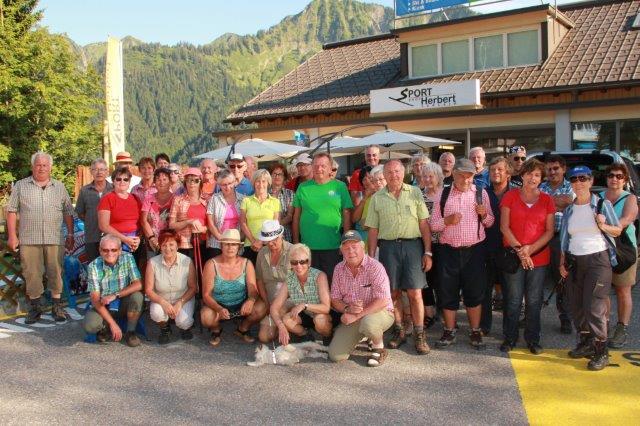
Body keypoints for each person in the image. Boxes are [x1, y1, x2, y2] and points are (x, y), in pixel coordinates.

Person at [366, 160, 433, 354]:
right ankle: (399, 330)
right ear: (384, 175)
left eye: (397, 171)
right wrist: (371, 258)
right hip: (388, 248)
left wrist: (428, 252)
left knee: (415, 293)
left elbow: (424, 224)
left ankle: (419, 334)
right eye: (389, 172)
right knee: (393, 292)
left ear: (403, 173)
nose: (393, 175)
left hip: (413, 246)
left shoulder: (415, 192)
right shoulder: (377, 198)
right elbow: (373, 230)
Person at [560, 166, 621, 371]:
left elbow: (617, 230)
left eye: (583, 178)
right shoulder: (569, 210)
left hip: (598, 260)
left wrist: (603, 226)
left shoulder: (602, 204)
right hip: (574, 261)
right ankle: (586, 343)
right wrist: (562, 262)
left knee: (594, 307)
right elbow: (565, 239)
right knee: (577, 305)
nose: (578, 182)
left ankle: (601, 351)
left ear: (591, 181)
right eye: (574, 179)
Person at [430, 158, 494, 350]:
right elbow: (433, 225)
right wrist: (447, 221)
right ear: (454, 174)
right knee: (447, 291)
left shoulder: (481, 193)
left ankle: (475, 330)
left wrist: (484, 214)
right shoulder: (442, 194)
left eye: (470, 176)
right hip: (448, 251)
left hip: (474, 251)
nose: (466, 180)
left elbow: (490, 222)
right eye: (462, 176)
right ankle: (449, 331)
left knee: (474, 292)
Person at [6, 151, 75, 323]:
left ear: (50, 167)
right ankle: (35, 308)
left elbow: (68, 211)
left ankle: (57, 307)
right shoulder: (21, 186)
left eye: (45, 165)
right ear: (32, 167)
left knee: (56, 272)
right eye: (38, 165)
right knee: (32, 274)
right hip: (29, 239)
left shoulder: (59, 187)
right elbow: (11, 211)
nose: (41, 168)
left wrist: (71, 233)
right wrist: (12, 236)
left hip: (54, 238)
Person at [499, 159, 555, 354]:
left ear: (541, 179)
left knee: (534, 301)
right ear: (522, 175)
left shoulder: (547, 199)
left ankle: (533, 339)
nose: (533, 178)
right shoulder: (510, 196)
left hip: (538, 257)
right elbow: (504, 227)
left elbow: (549, 231)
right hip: (514, 256)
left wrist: (529, 250)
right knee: (513, 300)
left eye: (537, 175)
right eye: (529, 173)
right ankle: (510, 337)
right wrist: (521, 251)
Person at [328, 231, 395, 366]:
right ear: (341, 250)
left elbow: (383, 300)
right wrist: (347, 309)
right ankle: (366, 335)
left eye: (354, 247)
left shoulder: (375, 267)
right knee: (335, 355)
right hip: (354, 316)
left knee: (369, 323)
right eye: (346, 248)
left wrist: (357, 315)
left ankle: (378, 346)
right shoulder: (338, 269)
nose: (351, 251)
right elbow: (335, 299)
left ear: (363, 247)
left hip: (379, 312)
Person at [200, 229, 267, 346]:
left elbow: (253, 289)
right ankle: (216, 329)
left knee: (262, 307)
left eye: (234, 244)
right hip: (218, 304)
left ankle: (243, 328)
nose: (230, 248)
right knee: (206, 317)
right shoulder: (211, 264)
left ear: (238, 247)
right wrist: (218, 308)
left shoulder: (247, 263)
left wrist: (251, 300)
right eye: (227, 244)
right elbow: (206, 295)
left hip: (241, 304)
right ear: (221, 246)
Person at [292, 152, 353, 282]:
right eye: (316, 166)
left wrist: (346, 242)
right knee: (311, 284)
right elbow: (296, 217)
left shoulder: (340, 187)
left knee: (332, 284)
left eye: (323, 166)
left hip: (333, 247)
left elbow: (347, 215)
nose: (319, 169)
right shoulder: (303, 187)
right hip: (307, 248)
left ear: (330, 168)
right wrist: (296, 243)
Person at [599, 164, 638, 349]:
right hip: (602, 249)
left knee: (623, 290)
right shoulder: (598, 197)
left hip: (624, 250)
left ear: (625, 179)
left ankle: (622, 327)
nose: (614, 179)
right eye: (611, 175)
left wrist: (604, 226)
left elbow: (626, 220)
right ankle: (604, 325)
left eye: (619, 176)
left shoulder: (630, 198)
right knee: (603, 291)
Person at [82, 234, 144, 347]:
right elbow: (95, 300)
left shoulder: (128, 258)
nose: (109, 253)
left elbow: (138, 284)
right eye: (105, 250)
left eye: (113, 250)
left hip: (122, 301)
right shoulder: (93, 266)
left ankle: (130, 332)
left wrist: (115, 295)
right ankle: (105, 327)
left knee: (137, 296)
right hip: (103, 304)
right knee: (90, 326)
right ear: (100, 251)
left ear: (120, 250)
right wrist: (113, 324)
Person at [539, 154, 575, 334]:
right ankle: (530, 316)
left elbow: (571, 203)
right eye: (549, 169)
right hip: (540, 238)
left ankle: (566, 318)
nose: (552, 172)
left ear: (564, 169)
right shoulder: (540, 187)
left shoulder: (572, 187)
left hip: (561, 239)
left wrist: (546, 204)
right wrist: (559, 203)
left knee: (562, 280)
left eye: (556, 168)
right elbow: (536, 207)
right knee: (536, 279)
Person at [271, 243, 332, 344]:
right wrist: (281, 326)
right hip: (306, 315)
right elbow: (274, 307)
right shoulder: (289, 279)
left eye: (303, 262)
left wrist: (304, 305)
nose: (298, 266)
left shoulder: (320, 276)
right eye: (294, 262)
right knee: (286, 320)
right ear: (291, 264)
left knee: (320, 320)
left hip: (322, 314)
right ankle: (305, 335)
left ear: (309, 262)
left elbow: (326, 308)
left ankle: (327, 335)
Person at [145, 230, 197, 344]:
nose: (167, 248)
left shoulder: (187, 261)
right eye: (164, 245)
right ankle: (165, 329)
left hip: (183, 298)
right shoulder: (152, 263)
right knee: (156, 313)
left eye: (171, 244)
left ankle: (185, 328)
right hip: (161, 298)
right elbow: (148, 290)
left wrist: (180, 303)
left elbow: (193, 288)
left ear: (177, 245)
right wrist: (163, 303)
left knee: (183, 322)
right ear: (160, 247)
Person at [481, 157, 515, 333]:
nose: (496, 172)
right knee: (485, 292)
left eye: (500, 169)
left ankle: (509, 332)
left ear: (508, 173)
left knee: (510, 294)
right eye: (493, 170)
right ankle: (484, 327)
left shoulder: (516, 193)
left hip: (510, 250)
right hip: (487, 248)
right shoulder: (482, 193)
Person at [254, 220, 292, 343]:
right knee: (264, 337)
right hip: (270, 299)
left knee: (279, 311)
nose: (271, 243)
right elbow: (259, 280)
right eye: (267, 240)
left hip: (289, 299)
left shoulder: (294, 251)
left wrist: (277, 305)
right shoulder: (262, 253)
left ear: (281, 235)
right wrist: (266, 303)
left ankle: (291, 326)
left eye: (274, 239)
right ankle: (283, 325)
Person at [419, 162, 443, 329]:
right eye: (425, 176)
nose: (427, 179)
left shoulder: (446, 194)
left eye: (431, 176)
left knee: (443, 280)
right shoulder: (419, 195)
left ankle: (444, 312)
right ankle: (429, 313)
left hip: (444, 242)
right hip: (424, 242)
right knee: (426, 279)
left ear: (439, 177)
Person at [169, 168, 210, 267]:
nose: (192, 183)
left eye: (196, 180)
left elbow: (213, 224)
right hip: (184, 244)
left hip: (204, 243)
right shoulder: (178, 200)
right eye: (188, 180)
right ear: (185, 183)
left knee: (203, 273)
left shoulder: (207, 200)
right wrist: (189, 222)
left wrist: (204, 229)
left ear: (200, 182)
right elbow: (171, 225)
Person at [76, 158, 113, 262]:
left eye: (102, 169)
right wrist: (92, 220)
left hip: (111, 236)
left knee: (111, 265)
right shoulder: (84, 191)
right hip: (92, 236)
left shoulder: (114, 189)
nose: (99, 172)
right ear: (91, 171)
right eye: (95, 169)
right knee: (93, 266)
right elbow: (80, 213)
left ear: (107, 171)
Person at [240, 169, 280, 265]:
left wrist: (261, 241)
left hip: (269, 245)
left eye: (263, 181)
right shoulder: (246, 201)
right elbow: (243, 223)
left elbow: (275, 224)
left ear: (268, 183)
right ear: (254, 183)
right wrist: (254, 241)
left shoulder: (275, 201)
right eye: (258, 181)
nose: (261, 184)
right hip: (250, 245)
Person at [98, 166, 141, 254]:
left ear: (129, 182)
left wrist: (139, 239)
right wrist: (125, 239)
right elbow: (103, 226)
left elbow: (141, 223)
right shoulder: (107, 199)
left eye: (125, 179)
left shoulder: (136, 198)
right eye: (118, 179)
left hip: (135, 243)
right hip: (114, 244)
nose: (122, 182)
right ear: (113, 181)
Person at [206, 169, 246, 258]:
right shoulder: (214, 199)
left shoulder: (243, 199)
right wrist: (221, 239)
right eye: (224, 184)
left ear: (235, 182)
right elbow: (210, 223)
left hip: (236, 244)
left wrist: (238, 240)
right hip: (217, 244)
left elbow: (245, 223)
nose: (227, 187)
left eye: (230, 183)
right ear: (219, 185)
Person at [140, 167, 175, 257]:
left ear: (170, 182)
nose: (161, 182)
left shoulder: (176, 199)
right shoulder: (148, 199)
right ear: (154, 182)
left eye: (165, 179)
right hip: (152, 241)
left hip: (171, 242)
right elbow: (143, 220)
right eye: (158, 180)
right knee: (153, 264)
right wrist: (152, 238)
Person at [269, 163, 295, 242]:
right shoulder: (264, 194)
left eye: (280, 174)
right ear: (270, 176)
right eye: (274, 174)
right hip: (268, 235)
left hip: (285, 235)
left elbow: (289, 216)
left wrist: (276, 227)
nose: (277, 177)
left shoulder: (290, 194)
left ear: (284, 177)